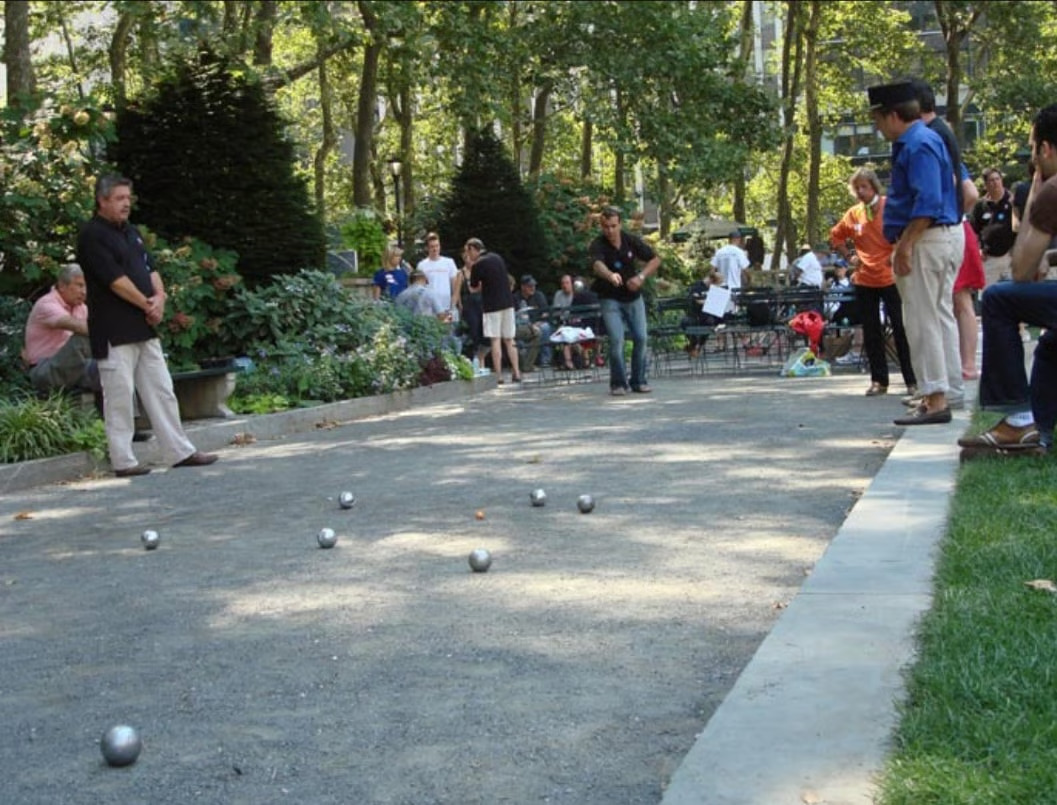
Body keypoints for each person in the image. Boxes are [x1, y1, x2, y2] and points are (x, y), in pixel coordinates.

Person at [76, 175, 217, 477]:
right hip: (113, 329)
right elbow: (114, 280)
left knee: (162, 390)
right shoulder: (91, 235)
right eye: (119, 198)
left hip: (144, 326)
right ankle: (123, 460)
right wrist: (146, 303)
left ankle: (180, 451)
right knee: (119, 396)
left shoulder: (132, 233)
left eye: (128, 197)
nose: (126, 203)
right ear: (102, 200)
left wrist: (160, 299)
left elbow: (149, 269)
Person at [958, 103, 1057, 457]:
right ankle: (1034, 431)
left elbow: (1020, 270)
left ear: (1044, 149)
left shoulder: (1052, 189)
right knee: (1051, 345)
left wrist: (1034, 188)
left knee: (999, 298)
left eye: (1033, 150)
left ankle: (1017, 419)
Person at [868, 80, 964, 425]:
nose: (877, 128)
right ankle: (947, 390)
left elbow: (927, 202)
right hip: (938, 237)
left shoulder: (917, 144)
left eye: (878, 120)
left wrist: (906, 245)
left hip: (925, 239)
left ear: (893, 115)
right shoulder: (926, 138)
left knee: (921, 321)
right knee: (938, 317)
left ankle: (936, 399)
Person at [830, 166, 917, 397]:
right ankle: (879, 380)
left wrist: (897, 252)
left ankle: (912, 380)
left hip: (890, 276)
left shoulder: (889, 206)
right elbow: (836, 236)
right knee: (871, 331)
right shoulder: (853, 213)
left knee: (901, 328)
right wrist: (849, 256)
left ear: (873, 187)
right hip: (865, 279)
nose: (860, 191)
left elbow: (906, 230)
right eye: (856, 187)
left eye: (864, 187)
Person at [590, 206, 660, 396]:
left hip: (633, 297)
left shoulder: (631, 240)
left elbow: (654, 259)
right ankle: (618, 383)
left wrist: (641, 277)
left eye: (613, 226)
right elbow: (597, 265)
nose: (610, 231)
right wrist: (610, 275)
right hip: (609, 298)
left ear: (620, 224)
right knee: (616, 340)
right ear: (601, 226)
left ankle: (638, 380)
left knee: (641, 337)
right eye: (605, 227)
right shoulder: (598, 244)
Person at [21, 264, 101, 397]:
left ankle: (128, 417)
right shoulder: (47, 304)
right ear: (62, 286)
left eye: (86, 286)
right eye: (80, 285)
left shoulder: (81, 308)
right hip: (44, 370)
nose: (84, 292)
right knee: (82, 338)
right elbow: (79, 327)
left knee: (112, 368)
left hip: (72, 367)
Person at [465, 238, 521, 384]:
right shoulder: (497, 257)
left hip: (492, 306)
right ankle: (517, 372)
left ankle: (499, 376)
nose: (467, 255)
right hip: (507, 303)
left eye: (468, 251)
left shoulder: (478, 265)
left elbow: (473, 288)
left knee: (495, 340)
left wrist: (472, 271)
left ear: (473, 249)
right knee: (509, 339)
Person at [971, 168, 1016, 286]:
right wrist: (979, 248)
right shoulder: (981, 206)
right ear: (986, 184)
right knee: (988, 296)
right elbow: (974, 231)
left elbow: (1021, 227)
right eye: (991, 180)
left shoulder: (1013, 202)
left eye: (997, 179)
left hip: (1010, 256)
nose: (995, 183)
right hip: (988, 257)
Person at [515, 274, 552, 369]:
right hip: (523, 325)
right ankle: (525, 363)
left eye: (534, 286)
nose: (533, 288)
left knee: (545, 328)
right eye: (530, 286)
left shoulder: (539, 295)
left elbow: (545, 313)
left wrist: (537, 323)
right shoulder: (516, 298)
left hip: (538, 323)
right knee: (518, 335)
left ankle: (545, 360)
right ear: (523, 287)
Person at [417, 232, 458, 315]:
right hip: (429, 308)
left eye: (437, 246)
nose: (435, 249)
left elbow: (455, 286)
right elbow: (419, 288)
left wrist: (453, 305)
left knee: (448, 328)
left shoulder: (449, 262)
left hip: (447, 307)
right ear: (427, 248)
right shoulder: (421, 265)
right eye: (432, 247)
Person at [452, 254, 485, 360]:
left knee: (483, 334)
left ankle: (480, 359)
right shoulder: (461, 274)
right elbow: (456, 293)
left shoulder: (480, 272)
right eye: (469, 259)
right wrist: (454, 307)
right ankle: (470, 357)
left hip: (481, 306)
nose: (472, 262)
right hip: (468, 307)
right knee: (472, 333)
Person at [711, 230, 750, 295]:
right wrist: (749, 281)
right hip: (734, 289)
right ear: (738, 239)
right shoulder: (739, 252)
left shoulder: (719, 252)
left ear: (729, 239)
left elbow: (712, 272)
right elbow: (746, 271)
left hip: (721, 288)